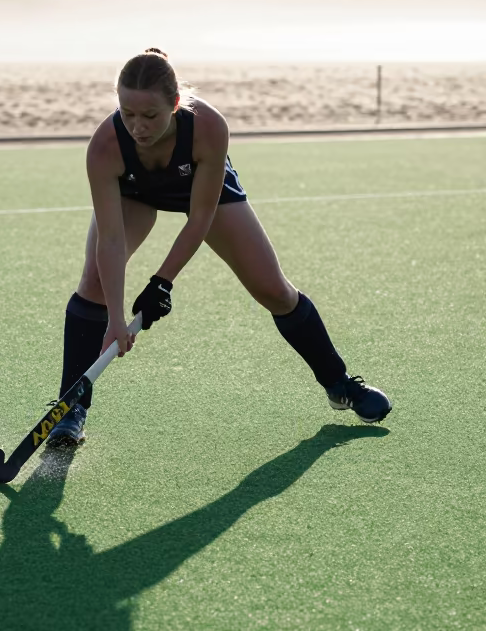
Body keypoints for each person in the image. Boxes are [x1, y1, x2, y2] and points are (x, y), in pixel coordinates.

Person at [47, 48, 391, 448]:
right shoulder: (105, 147)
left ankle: (338, 383)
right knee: (93, 282)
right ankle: (70, 410)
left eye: (150, 115)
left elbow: (200, 218)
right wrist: (116, 320)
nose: (138, 126)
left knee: (274, 290)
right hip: (135, 192)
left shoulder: (208, 128)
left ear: (175, 103)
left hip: (199, 192)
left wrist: (161, 282)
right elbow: (109, 240)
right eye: (128, 113)